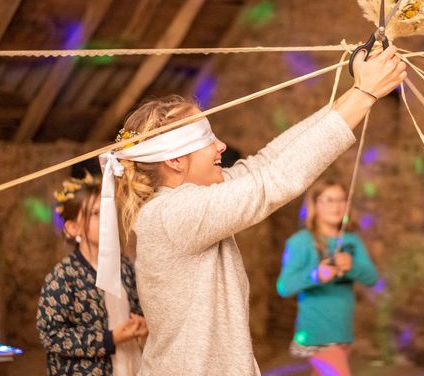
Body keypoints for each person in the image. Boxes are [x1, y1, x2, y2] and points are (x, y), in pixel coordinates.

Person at [95, 45, 406, 375]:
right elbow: (273, 181)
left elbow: (266, 163)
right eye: (208, 140)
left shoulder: (191, 198)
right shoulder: (173, 213)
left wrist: (356, 91)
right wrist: (366, 93)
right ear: (174, 160)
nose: (221, 146)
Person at [37, 172, 147, 376]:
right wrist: (109, 339)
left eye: (107, 210)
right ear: (72, 228)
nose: (106, 217)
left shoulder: (123, 266)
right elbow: (51, 335)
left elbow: (138, 308)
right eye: (96, 213)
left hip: (131, 365)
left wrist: (141, 324)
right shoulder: (63, 276)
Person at [277, 178, 378, 375]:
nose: (336, 206)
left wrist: (352, 265)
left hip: (342, 332)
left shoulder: (351, 240)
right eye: (329, 200)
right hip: (316, 334)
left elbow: (372, 278)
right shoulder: (301, 242)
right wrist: (316, 276)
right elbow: (284, 286)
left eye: (341, 200)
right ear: (315, 204)